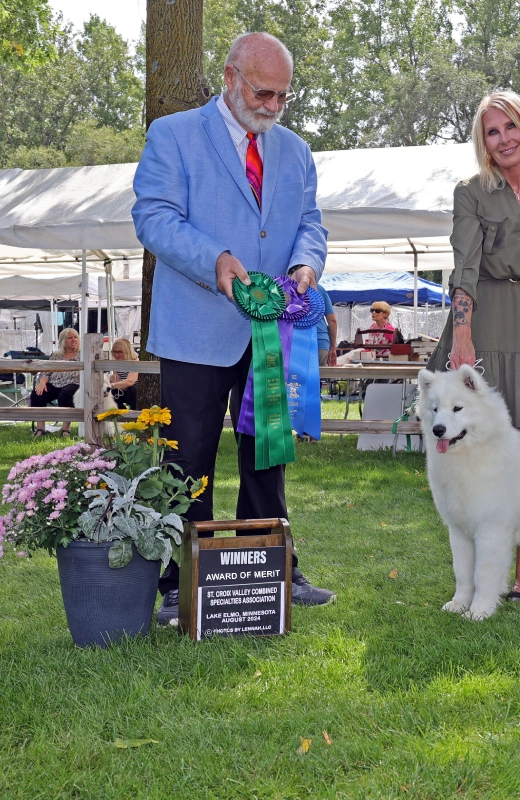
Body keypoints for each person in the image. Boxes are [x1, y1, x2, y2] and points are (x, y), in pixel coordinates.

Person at [132, 31, 335, 627]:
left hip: (272, 331)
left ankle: (276, 571)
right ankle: (178, 582)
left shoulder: (295, 151)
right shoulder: (172, 134)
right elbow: (154, 218)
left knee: (266, 453)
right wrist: (215, 260)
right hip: (195, 325)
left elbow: (311, 223)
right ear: (230, 76)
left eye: (283, 97)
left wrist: (307, 263)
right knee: (186, 459)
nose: (273, 107)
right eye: (263, 93)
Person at [427, 90, 520, 604]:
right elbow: (464, 264)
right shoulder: (470, 192)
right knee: (480, 444)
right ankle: (473, 576)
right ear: (483, 143)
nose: (504, 138)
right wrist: (463, 332)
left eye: (511, 126)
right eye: (492, 132)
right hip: (484, 319)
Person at [29, 328, 79, 437]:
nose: (74, 340)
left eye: (75, 337)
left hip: (74, 383)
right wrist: (42, 383)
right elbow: (46, 372)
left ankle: (66, 428)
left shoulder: (83, 354)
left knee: (65, 394)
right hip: (55, 382)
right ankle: (41, 428)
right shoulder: (56, 355)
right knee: (37, 393)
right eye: (70, 338)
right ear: (63, 341)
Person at [108, 338, 139, 409]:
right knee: (113, 392)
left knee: (131, 389)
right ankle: (119, 414)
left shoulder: (135, 361)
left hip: (134, 393)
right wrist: (114, 377)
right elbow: (116, 378)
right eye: (114, 352)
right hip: (122, 391)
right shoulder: (117, 362)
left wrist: (112, 385)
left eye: (119, 352)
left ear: (127, 351)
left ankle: (134, 413)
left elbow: (130, 382)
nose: (116, 355)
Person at [315, 286, 338, 368]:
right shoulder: (320, 289)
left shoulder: (285, 287)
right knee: (318, 378)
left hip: (295, 343)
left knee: (294, 379)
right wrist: (333, 347)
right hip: (321, 341)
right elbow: (332, 320)